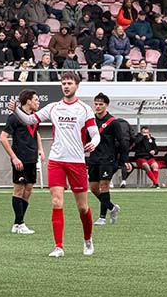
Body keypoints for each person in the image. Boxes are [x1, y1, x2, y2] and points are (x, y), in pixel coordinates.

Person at [8, 72, 100, 257]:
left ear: (77, 86)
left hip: (76, 162)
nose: (66, 86)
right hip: (56, 161)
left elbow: (95, 133)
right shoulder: (53, 108)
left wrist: (94, 143)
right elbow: (29, 119)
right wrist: (16, 110)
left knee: (82, 207)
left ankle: (88, 240)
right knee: (57, 202)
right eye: (63, 83)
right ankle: (59, 246)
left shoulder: (85, 109)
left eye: (69, 83)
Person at [0, 89, 43, 234]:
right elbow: (3, 138)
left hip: (32, 158)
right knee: (18, 190)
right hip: (20, 159)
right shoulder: (14, 118)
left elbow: (36, 133)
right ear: (28, 101)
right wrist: (14, 157)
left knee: (28, 189)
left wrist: (41, 149)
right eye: (36, 99)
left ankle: (17, 224)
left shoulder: (34, 117)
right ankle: (20, 223)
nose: (38, 102)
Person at [87, 93, 128, 226]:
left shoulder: (113, 122)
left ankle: (102, 217)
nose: (98, 107)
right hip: (94, 157)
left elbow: (122, 141)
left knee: (104, 186)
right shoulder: (91, 120)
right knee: (93, 188)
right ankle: (112, 207)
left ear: (106, 105)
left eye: (101, 104)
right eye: (96, 104)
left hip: (107, 158)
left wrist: (124, 160)